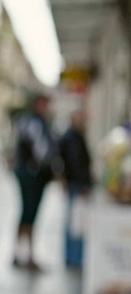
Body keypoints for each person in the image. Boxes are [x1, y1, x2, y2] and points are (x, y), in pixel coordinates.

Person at [12, 91, 56, 272]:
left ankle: (21, 253)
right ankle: (25, 254)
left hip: (32, 174)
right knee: (29, 213)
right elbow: (41, 151)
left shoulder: (34, 122)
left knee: (28, 213)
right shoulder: (35, 123)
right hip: (32, 174)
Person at [58, 107, 94, 269]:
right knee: (75, 223)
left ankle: (74, 257)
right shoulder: (72, 138)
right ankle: (74, 258)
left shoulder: (75, 137)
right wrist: (83, 182)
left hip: (77, 183)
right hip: (77, 184)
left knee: (76, 221)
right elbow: (75, 163)